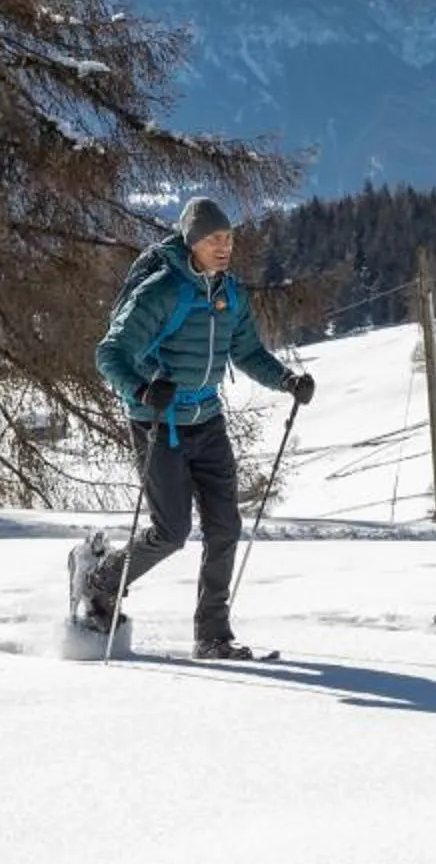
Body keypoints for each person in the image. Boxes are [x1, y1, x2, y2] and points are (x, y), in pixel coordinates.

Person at [80, 198, 312, 659]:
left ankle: (213, 635)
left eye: (228, 238)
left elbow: (246, 352)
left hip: (208, 420)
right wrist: (143, 390)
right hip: (157, 424)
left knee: (225, 528)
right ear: (192, 241)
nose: (223, 247)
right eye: (213, 239)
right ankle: (101, 580)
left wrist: (286, 378)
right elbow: (110, 353)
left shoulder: (231, 294)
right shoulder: (162, 290)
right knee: (170, 532)